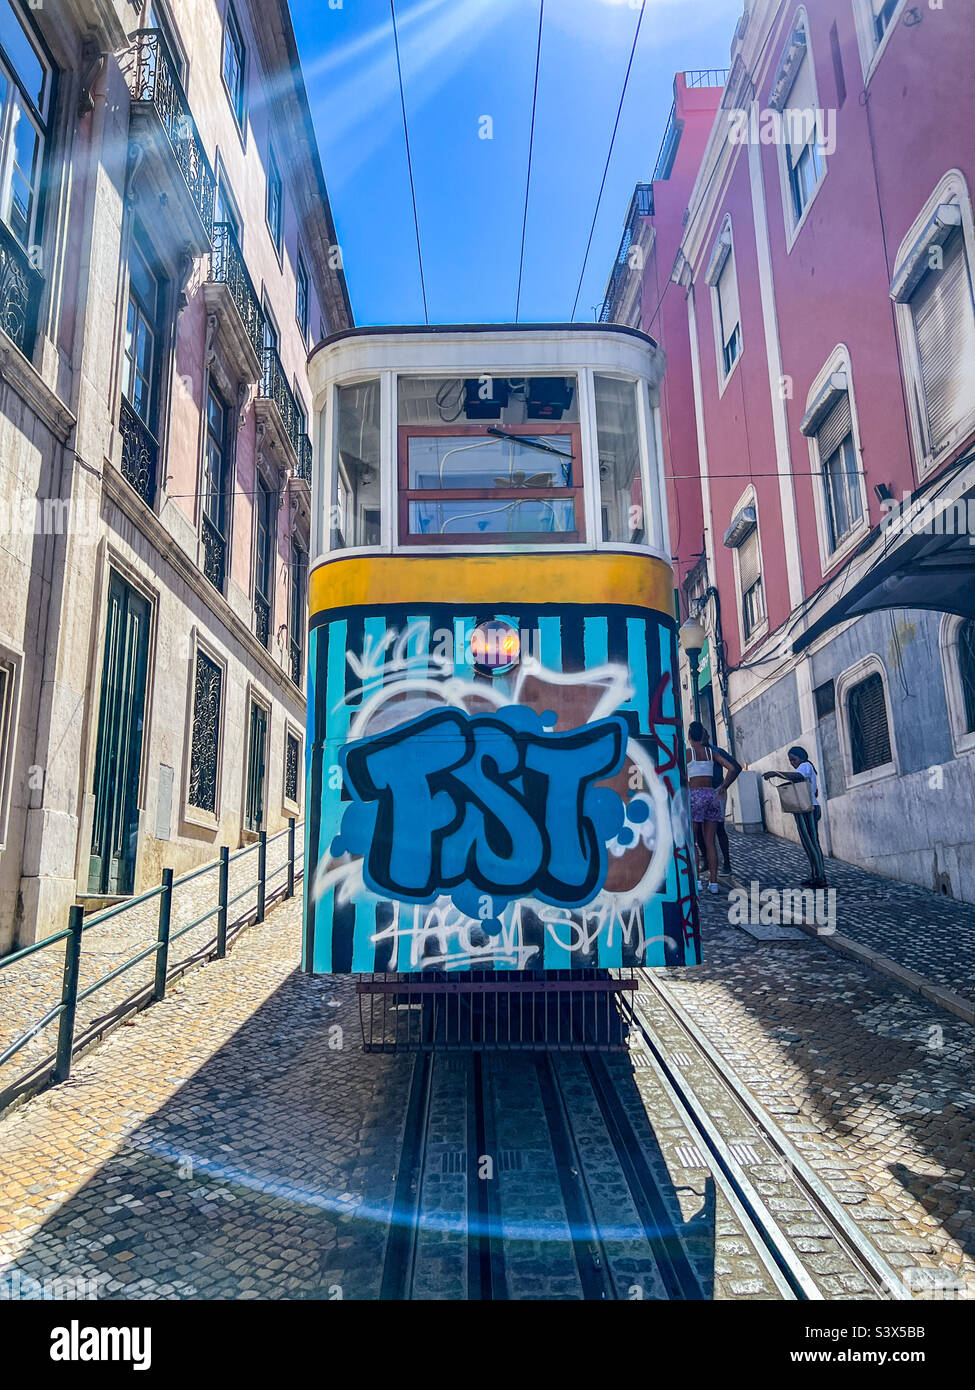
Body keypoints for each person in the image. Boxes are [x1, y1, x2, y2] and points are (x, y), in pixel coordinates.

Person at [686, 721, 739, 894]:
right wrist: (723, 786)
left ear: (689, 736)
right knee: (710, 842)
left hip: (695, 796)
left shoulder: (688, 753)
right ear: (702, 735)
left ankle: (697, 881)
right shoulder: (711, 753)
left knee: (692, 841)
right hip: (711, 795)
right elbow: (732, 768)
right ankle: (714, 883)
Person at [762, 745, 827, 888]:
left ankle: (820, 877)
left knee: (811, 844)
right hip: (808, 808)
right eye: (790, 760)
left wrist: (776, 773)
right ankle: (815, 874)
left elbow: (799, 776)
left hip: (807, 810)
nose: (792, 763)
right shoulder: (808, 767)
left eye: (793, 760)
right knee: (810, 843)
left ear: (801, 758)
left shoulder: (805, 766)